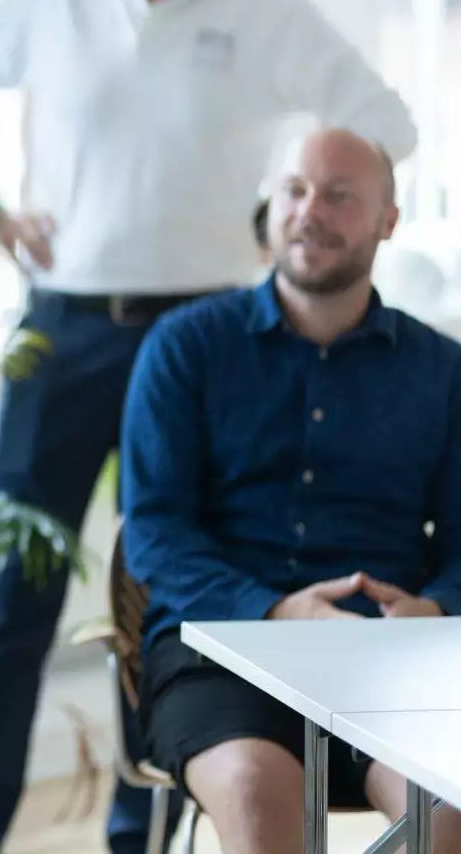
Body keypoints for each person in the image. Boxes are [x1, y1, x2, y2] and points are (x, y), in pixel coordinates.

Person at [0, 0, 418, 854]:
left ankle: (129, 815)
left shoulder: (259, 0)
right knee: (18, 606)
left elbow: (387, 122)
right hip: (65, 329)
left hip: (207, 335)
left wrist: (289, 212)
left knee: (169, 578)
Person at [121, 127, 461, 854]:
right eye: (294, 190)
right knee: (251, 793)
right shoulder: (184, 347)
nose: (310, 211)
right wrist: (274, 609)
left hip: (386, 659)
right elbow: (154, 529)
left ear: (386, 221)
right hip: (216, 651)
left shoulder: (442, 370)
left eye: (339, 196)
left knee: (443, 816)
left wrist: (435, 607)